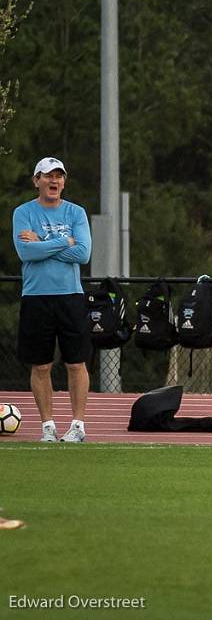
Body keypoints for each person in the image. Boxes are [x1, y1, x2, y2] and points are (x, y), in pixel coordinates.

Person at [13, 157, 92, 443]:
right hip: (36, 297)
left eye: (59, 176)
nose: (54, 181)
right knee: (41, 366)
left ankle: (77, 426)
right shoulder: (23, 213)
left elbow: (83, 254)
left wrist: (42, 242)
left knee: (76, 363)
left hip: (71, 296)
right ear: (36, 180)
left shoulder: (76, 213)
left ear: (64, 181)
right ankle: (47, 426)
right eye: (47, 176)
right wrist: (64, 242)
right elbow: (26, 253)